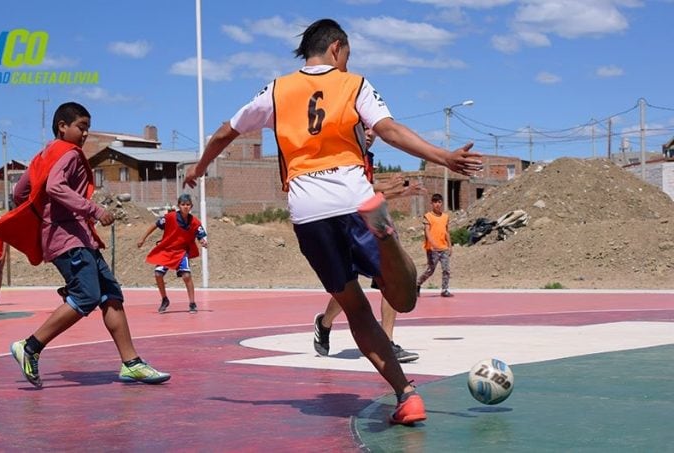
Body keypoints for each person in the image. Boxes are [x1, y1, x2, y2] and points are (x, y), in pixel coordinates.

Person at [182, 19, 482, 425]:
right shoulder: (353, 84)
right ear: (337, 49)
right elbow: (388, 129)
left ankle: (406, 395)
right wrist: (442, 156)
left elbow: (223, 132)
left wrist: (198, 170)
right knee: (405, 299)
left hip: (308, 211)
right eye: (347, 56)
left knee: (355, 310)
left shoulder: (276, 90)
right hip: (354, 196)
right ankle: (385, 234)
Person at [0, 101, 169, 388]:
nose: (85, 134)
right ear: (63, 126)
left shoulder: (42, 156)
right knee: (87, 296)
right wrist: (92, 210)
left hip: (75, 237)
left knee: (110, 294)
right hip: (69, 239)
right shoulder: (70, 154)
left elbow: (20, 192)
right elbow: (55, 187)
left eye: (87, 128)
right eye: (81, 127)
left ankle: (131, 363)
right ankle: (30, 347)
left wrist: (43, 217)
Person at [314, 131, 421, 363]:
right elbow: (352, 192)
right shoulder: (341, 155)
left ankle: (387, 341)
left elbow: (368, 196)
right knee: (348, 287)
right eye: (365, 127)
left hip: (371, 226)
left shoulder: (367, 157)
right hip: (345, 226)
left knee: (391, 279)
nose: (371, 133)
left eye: (373, 128)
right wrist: (386, 188)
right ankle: (325, 322)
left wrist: (399, 192)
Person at [136, 193, 208, 314]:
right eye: (183, 204)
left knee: (186, 276)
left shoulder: (195, 222)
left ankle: (192, 302)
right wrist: (142, 238)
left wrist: (203, 242)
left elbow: (200, 235)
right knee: (158, 274)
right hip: (167, 250)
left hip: (181, 252)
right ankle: (164, 299)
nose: (185, 207)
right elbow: (155, 225)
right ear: (179, 206)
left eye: (188, 204)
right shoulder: (170, 217)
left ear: (191, 206)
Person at [416, 193, 453, 297]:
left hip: (444, 247)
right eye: (435, 202)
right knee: (430, 270)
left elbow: (446, 232)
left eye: (439, 202)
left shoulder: (445, 217)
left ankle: (445, 289)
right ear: (432, 203)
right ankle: (417, 284)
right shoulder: (428, 216)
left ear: (442, 203)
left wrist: (450, 246)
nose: (437, 204)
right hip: (432, 249)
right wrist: (432, 243)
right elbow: (427, 231)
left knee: (446, 270)